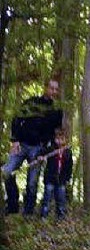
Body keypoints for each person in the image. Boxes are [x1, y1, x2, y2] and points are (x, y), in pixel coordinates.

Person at [2, 78, 62, 215]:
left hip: (38, 149)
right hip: (21, 145)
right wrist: (15, 140)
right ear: (45, 87)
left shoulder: (57, 111)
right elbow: (16, 118)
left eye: (56, 89)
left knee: (32, 183)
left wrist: (44, 152)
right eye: (51, 88)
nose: (53, 91)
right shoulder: (31, 102)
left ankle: (28, 212)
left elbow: (55, 136)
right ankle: (12, 205)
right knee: (7, 172)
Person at [40, 127, 72, 220]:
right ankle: (44, 215)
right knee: (47, 196)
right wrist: (41, 156)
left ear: (65, 140)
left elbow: (69, 167)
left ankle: (60, 216)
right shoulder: (51, 149)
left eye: (62, 139)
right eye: (58, 139)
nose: (59, 141)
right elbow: (42, 153)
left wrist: (67, 179)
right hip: (50, 178)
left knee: (61, 198)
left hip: (61, 179)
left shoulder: (68, 152)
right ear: (55, 139)